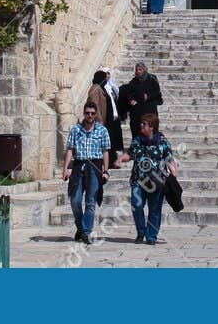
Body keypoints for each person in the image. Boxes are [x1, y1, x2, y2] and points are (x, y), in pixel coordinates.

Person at [116, 111, 177, 245]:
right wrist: (121, 159)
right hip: (138, 180)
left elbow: (170, 158)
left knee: (154, 209)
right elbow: (130, 155)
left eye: (144, 124)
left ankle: (151, 236)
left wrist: (173, 170)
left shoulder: (162, 141)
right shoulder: (137, 140)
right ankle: (141, 232)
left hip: (156, 181)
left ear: (152, 127)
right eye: (141, 123)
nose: (141, 126)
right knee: (136, 206)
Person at [62, 101, 111, 244]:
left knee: (90, 202)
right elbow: (70, 149)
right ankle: (81, 227)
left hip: (94, 166)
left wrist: (106, 171)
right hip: (79, 166)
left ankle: (86, 232)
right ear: (84, 113)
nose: (90, 115)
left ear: (96, 114)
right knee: (75, 200)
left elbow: (105, 151)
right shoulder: (76, 129)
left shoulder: (102, 130)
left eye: (92, 113)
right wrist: (65, 168)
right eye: (87, 113)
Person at [117, 60, 164, 139]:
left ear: (144, 70)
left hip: (150, 109)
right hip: (138, 111)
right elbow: (129, 93)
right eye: (137, 70)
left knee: (151, 127)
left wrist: (148, 96)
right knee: (137, 129)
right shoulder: (134, 81)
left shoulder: (152, 78)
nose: (138, 72)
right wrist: (131, 100)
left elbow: (157, 92)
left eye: (140, 69)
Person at [88, 70, 120, 166]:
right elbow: (95, 106)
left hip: (107, 120)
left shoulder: (101, 88)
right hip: (100, 120)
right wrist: (99, 120)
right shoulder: (95, 88)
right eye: (104, 77)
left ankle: (110, 161)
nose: (106, 79)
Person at [102, 67, 124, 166]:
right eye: (105, 73)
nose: (107, 75)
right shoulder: (103, 87)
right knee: (109, 140)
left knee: (116, 139)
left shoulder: (112, 86)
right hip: (108, 118)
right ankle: (111, 161)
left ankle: (116, 159)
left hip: (115, 117)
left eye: (108, 73)